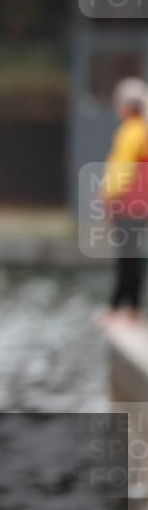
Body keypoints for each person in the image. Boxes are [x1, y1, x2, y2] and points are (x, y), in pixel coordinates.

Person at [98, 76, 148, 325]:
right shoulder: (142, 130)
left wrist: (108, 198)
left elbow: (122, 170)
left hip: (129, 203)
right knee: (132, 254)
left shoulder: (131, 132)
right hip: (140, 203)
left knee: (127, 256)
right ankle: (131, 308)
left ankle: (119, 307)